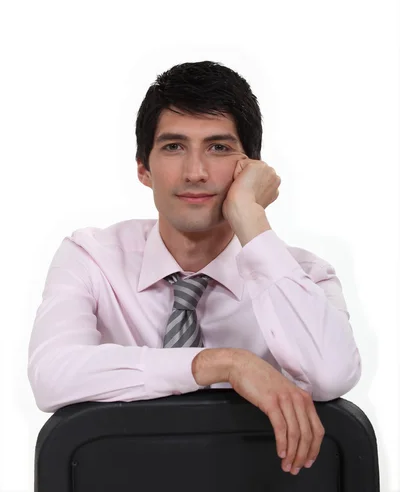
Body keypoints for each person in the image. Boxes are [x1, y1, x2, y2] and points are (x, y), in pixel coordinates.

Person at [27, 60, 362, 477]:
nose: (196, 172)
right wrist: (224, 364)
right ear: (143, 169)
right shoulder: (91, 256)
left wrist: (249, 215)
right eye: (173, 146)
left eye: (219, 147)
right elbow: (52, 375)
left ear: (251, 169)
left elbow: (332, 376)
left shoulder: (304, 276)